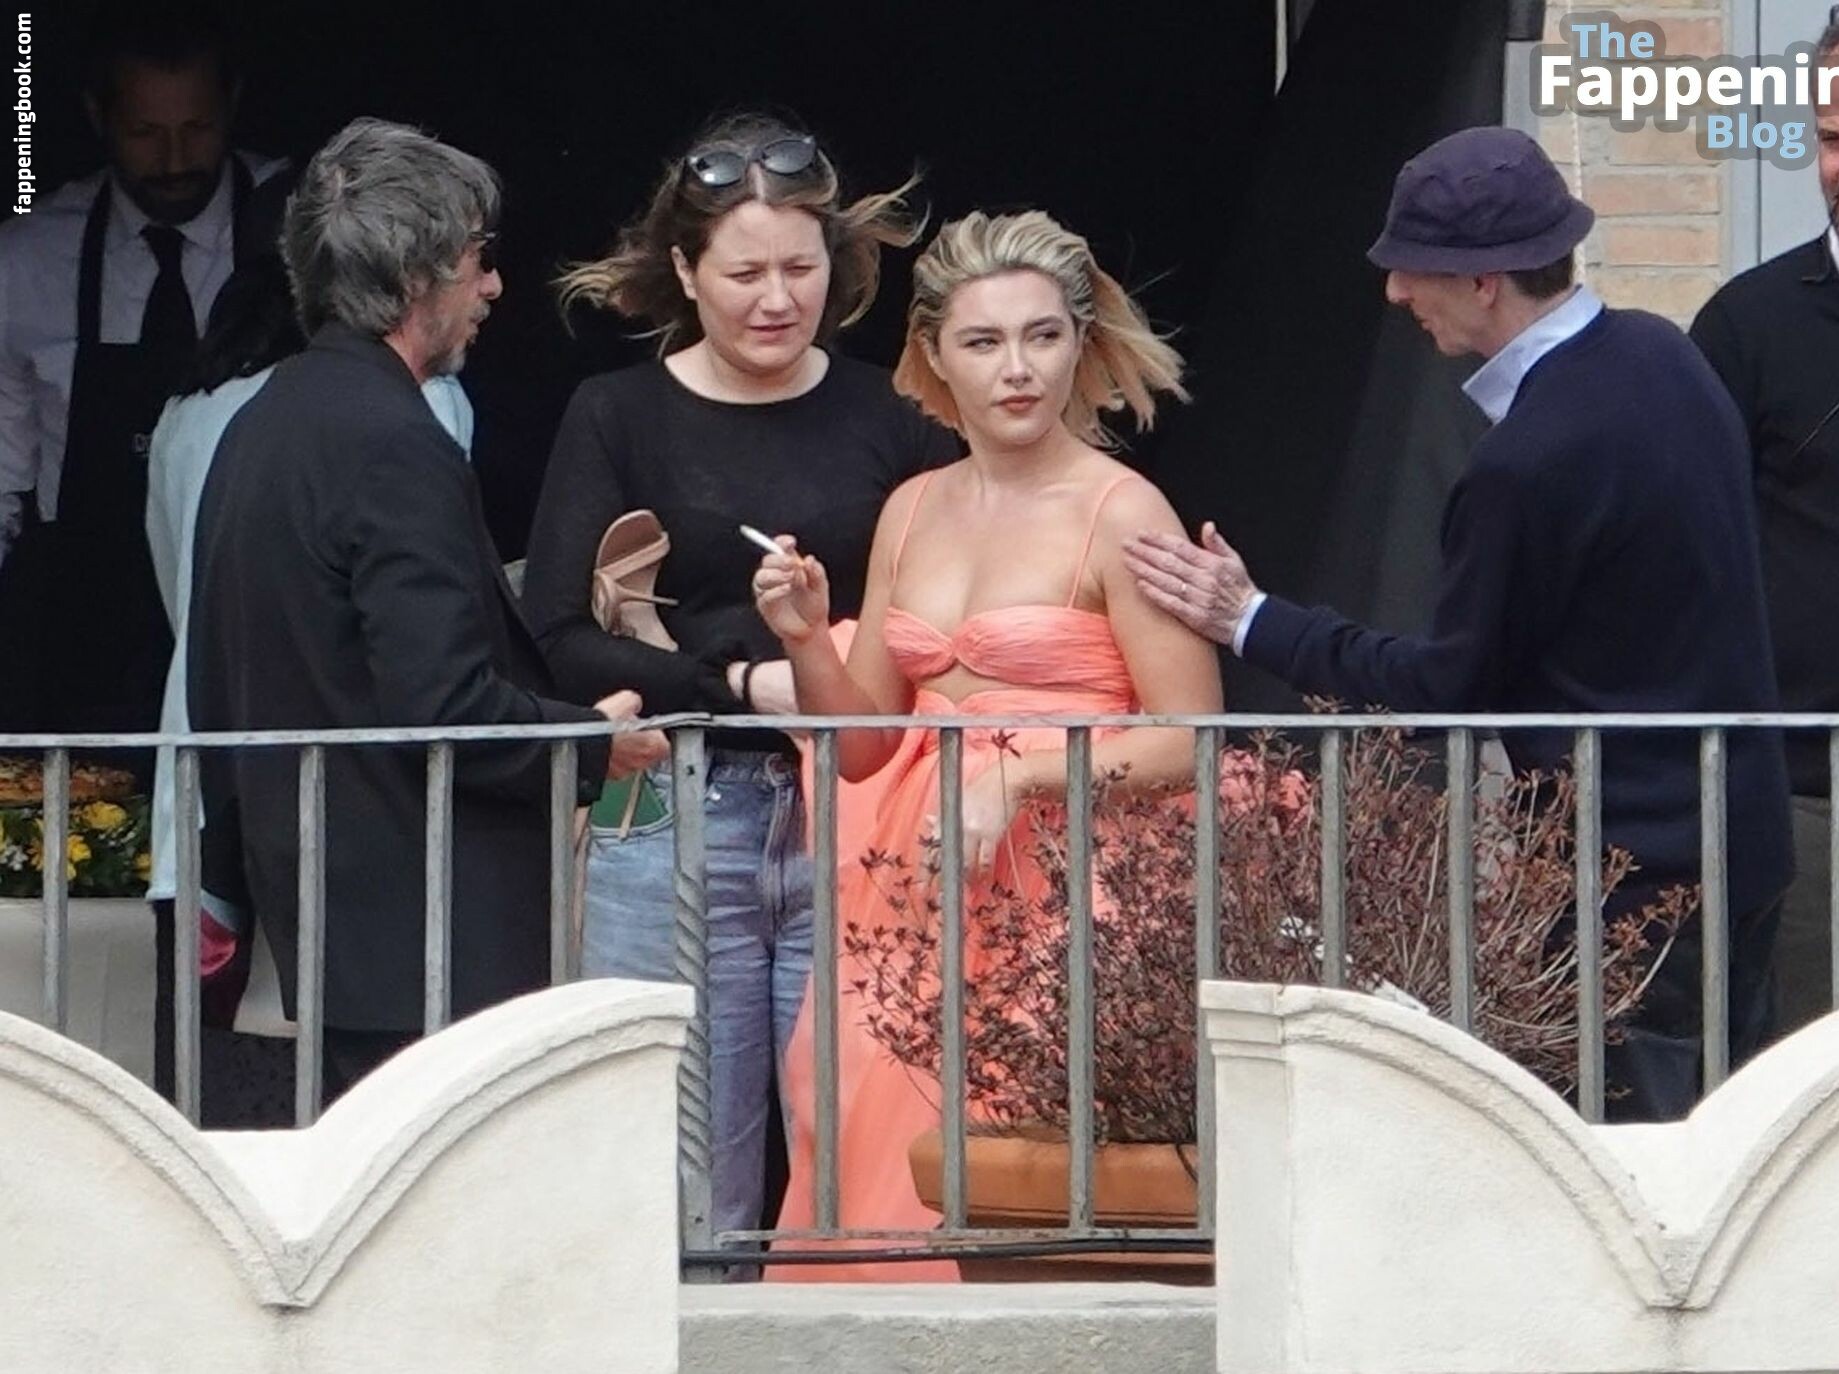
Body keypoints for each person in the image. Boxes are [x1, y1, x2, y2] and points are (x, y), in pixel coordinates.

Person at [1126, 127, 1792, 1123]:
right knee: (1734, 1148)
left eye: (1413, 268)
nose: (1397, 292)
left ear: (1484, 282)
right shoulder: (1663, 356)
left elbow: (1448, 688)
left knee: (1625, 1168)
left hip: (1629, 877)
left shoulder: (1529, 461)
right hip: (1740, 841)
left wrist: (1252, 619)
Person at [751, 208, 1220, 1279]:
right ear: (934, 357)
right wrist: (805, 638)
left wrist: (1025, 777)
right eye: (984, 341)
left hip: (1069, 887)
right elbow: (863, 745)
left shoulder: (1124, 510)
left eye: (1043, 336)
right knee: (869, 1134)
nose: (1018, 368)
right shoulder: (912, 508)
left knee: (1021, 1153)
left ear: (1081, 345)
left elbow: (1191, 738)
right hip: (914, 888)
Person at [520, 113, 957, 1253]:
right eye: (745, 273)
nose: (777, 299)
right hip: (678, 805)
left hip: (862, 812)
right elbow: (559, 633)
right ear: (683, 271)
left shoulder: (895, 415)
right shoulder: (617, 413)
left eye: (800, 270)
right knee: (680, 1177)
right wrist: (739, 682)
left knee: (860, 1150)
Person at [189, 118, 660, 1104]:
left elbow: (221, 682)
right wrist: (589, 742)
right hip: (430, 935)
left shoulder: (260, 424)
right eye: (478, 260)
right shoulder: (393, 441)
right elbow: (441, 703)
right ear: (417, 279)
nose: (492, 288)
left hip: (335, 921)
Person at [144, 173, 477, 1121]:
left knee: (211, 1101)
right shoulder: (423, 404)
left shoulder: (187, 411)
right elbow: (418, 608)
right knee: (372, 1115)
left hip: (205, 780)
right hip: (359, 804)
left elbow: (181, 591)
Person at [1691, 2, 1839, 1038]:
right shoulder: (1747, 327)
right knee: (1835, 1104)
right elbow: (1690, 554)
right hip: (1818, 805)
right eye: (1832, 140)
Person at [0, 1, 283, 737]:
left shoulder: (298, 234)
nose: (175, 159)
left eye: (198, 128)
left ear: (234, 104)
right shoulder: (26, 262)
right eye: (145, 133)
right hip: (89, 630)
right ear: (97, 117)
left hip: (258, 614)